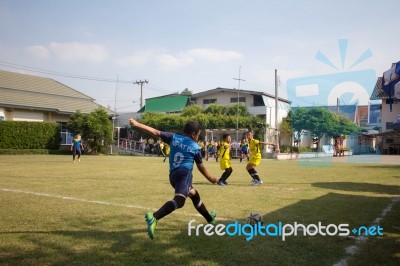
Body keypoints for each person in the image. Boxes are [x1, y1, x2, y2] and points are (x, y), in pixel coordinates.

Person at [129, 118, 218, 240]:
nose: (198, 137)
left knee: (194, 194)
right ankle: (154, 217)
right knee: (180, 201)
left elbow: (155, 132)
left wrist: (137, 124)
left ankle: (210, 219)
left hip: (173, 175)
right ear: (193, 134)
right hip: (184, 175)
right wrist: (211, 178)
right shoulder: (195, 147)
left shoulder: (173, 137)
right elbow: (201, 167)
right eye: (198, 134)